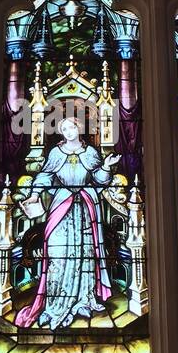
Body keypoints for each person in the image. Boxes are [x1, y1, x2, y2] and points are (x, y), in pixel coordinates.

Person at [15, 118, 119, 330]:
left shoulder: (90, 153)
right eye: (64, 129)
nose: (68, 132)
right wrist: (35, 195)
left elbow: (99, 179)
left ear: (79, 128)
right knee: (57, 254)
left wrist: (106, 167)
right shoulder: (56, 153)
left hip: (86, 207)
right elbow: (45, 175)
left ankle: (84, 299)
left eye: (72, 127)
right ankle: (54, 304)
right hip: (61, 204)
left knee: (86, 253)